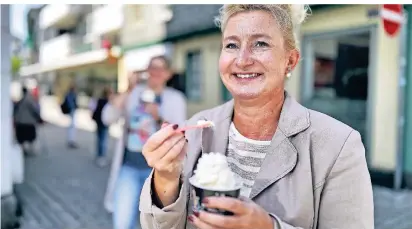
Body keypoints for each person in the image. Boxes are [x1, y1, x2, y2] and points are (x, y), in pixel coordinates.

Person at [139, 4, 374, 229]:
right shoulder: (196, 130)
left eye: (260, 43)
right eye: (231, 45)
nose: (242, 60)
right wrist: (167, 177)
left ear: (290, 60)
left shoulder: (339, 145)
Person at [102, 56, 187, 229]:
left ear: (168, 74)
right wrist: (127, 90)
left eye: (160, 68)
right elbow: (107, 118)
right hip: (129, 167)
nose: (155, 72)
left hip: (160, 174)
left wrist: (159, 117)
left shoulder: (175, 99)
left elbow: (181, 134)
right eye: (152, 67)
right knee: (122, 223)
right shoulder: (134, 93)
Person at [13, 86, 42, 155]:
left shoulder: (20, 99)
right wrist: (39, 117)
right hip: (28, 122)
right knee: (30, 137)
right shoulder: (29, 99)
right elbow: (34, 109)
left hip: (20, 121)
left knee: (22, 137)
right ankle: (29, 150)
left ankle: (24, 150)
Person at [92, 87, 113, 167]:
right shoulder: (108, 102)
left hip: (99, 123)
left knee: (99, 139)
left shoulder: (100, 100)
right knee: (103, 140)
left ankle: (99, 155)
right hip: (103, 123)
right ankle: (101, 156)